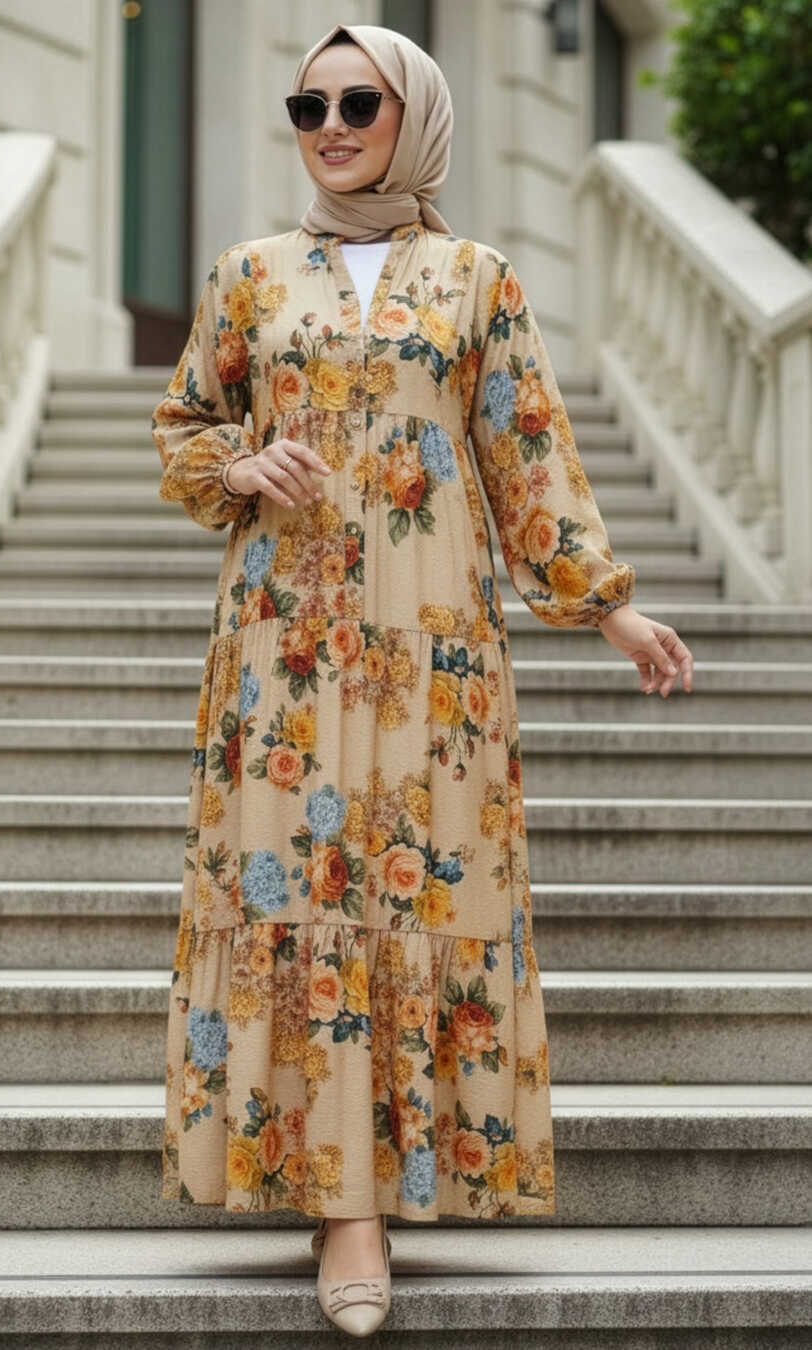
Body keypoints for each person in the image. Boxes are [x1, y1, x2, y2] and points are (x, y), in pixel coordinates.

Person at [150, 21, 694, 1339]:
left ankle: (379, 1194)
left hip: (432, 654)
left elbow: (526, 455)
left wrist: (610, 607)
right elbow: (183, 427)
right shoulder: (246, 277)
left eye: (360, 103)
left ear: (416, 119)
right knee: (293, 893)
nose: (332, 127)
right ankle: (343, 1207)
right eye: (310, 105)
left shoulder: (476, 280)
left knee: (415, 891)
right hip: (281, 650)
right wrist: (236, 464)